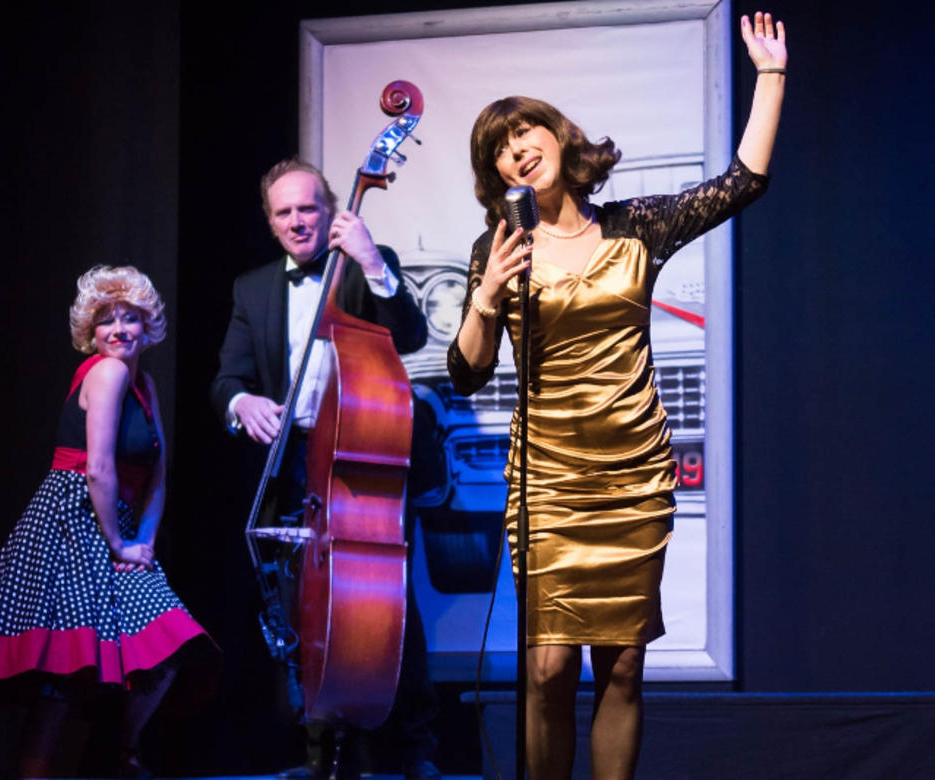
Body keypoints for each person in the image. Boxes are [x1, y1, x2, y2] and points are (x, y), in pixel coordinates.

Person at [446, 13, 786, 780]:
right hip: (549, 480)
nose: (516, 148)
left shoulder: (636, 226)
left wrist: (771, 75)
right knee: (546, 669)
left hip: (632, 475)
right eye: (499, 146)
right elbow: (467, 372)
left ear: (559, 137)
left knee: (623, 666)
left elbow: (743, 183)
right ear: (497, 173)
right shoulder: (498, 249)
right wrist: (487, 297)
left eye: (525, 131)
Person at [0, 265, 218, 779]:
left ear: (147, 326)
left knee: (161, 645)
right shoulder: (106, 372)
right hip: (71, 522)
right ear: (91, 331)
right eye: (106, 320)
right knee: (61, 678)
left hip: (116, 524)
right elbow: (98, 468)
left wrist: (143, 541)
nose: (118, 330)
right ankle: (90, 761)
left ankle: (118, 755)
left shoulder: (145, 383)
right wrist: (118, 543)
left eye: (129, 318)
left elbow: (157, 475)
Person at [210, 158, 438, 780]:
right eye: (283, 212)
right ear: (270, 222)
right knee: (305, 605)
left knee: (386, 602)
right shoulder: (253, 288)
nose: (296, 221)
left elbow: (411, 336)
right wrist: (241, 402)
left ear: (331, 209)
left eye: (307, 208)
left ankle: (413, 750)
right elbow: (226, 379)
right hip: (294, 462)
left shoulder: (365, 264)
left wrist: (370, 260)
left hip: (362, 458)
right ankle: (319, 754)